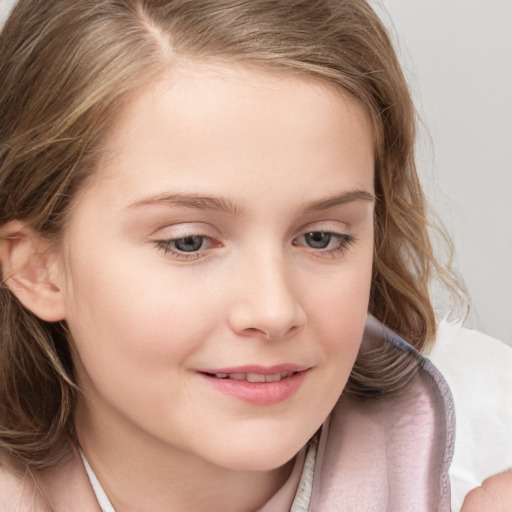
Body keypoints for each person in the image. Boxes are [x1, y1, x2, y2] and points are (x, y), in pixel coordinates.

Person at [0, 1, 510, 511]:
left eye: (321, 238)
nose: (274, 311)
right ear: (38, 269)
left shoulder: (488, 437)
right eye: (188, 242)